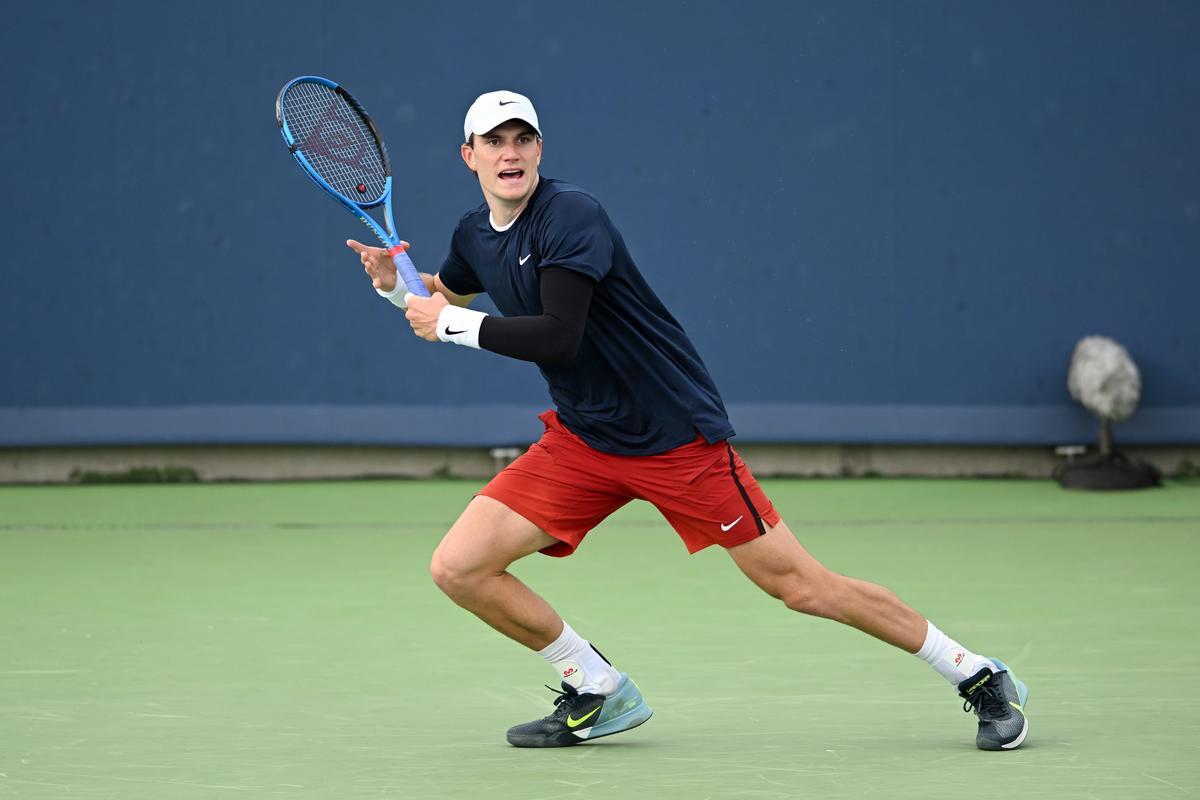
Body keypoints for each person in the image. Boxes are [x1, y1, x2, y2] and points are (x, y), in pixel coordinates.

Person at [344, 90, 1029, 751]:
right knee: (460, 566)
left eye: (523, 137)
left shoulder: (571, 216)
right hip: (585, 438)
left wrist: (452, 323)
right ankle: (597, 684)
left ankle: (975, 671)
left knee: (800, 586)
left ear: (540, 148)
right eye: (494, 141)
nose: (510, 151)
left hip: (674, 435)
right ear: (470, 156)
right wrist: (391, 287)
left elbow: (558, 336)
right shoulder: (474, 233)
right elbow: (440, 297)